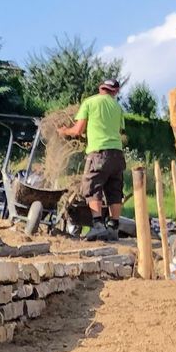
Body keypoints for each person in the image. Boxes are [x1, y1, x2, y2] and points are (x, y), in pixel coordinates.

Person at [60, 78, 128, 241]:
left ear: (100, 88)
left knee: (91, 187)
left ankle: (97, 225)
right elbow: (117, 130)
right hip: (117, 154)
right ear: (115, 92)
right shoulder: (118, 107)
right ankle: (113, 227)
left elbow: (77, 130)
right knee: (114, 190)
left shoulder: (89, 102)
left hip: (98, 153)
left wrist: (64, 131)